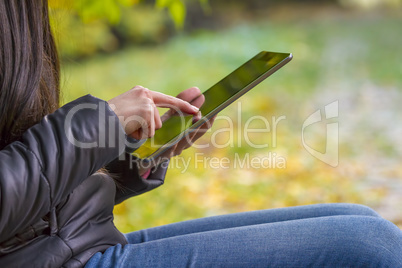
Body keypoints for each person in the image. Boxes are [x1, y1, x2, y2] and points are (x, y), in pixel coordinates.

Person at [0, 1, 401, 267]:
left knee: (357, 217)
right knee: (366, 242)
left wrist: (134, 155)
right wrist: (100, 123)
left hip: (76, 244)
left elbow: (35, 204)